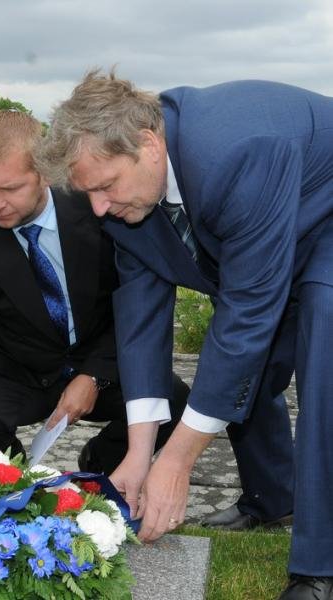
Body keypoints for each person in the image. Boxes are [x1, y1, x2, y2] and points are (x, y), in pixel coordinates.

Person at [43, 69, 332, 600]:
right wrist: (139, 452)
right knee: (247, 370)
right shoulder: (120, 196)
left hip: (327, 217)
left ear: (149, 144)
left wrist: (176, 462)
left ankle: (321, 565)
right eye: (89, 193)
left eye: (105, 187)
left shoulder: (238, 152)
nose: (99, 208)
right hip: (270, 235)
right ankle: (273, 497)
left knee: (323, 340)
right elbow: (141, 321)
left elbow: (245, 315)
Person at [0, 110, 188, 473]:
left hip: (100, 358)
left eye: (10, 188)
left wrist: (94, 375)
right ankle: (16, 480)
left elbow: (133, 304)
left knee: (173, 403)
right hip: (17, 364)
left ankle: (100, 467)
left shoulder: (99, 209)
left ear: (44, 174)